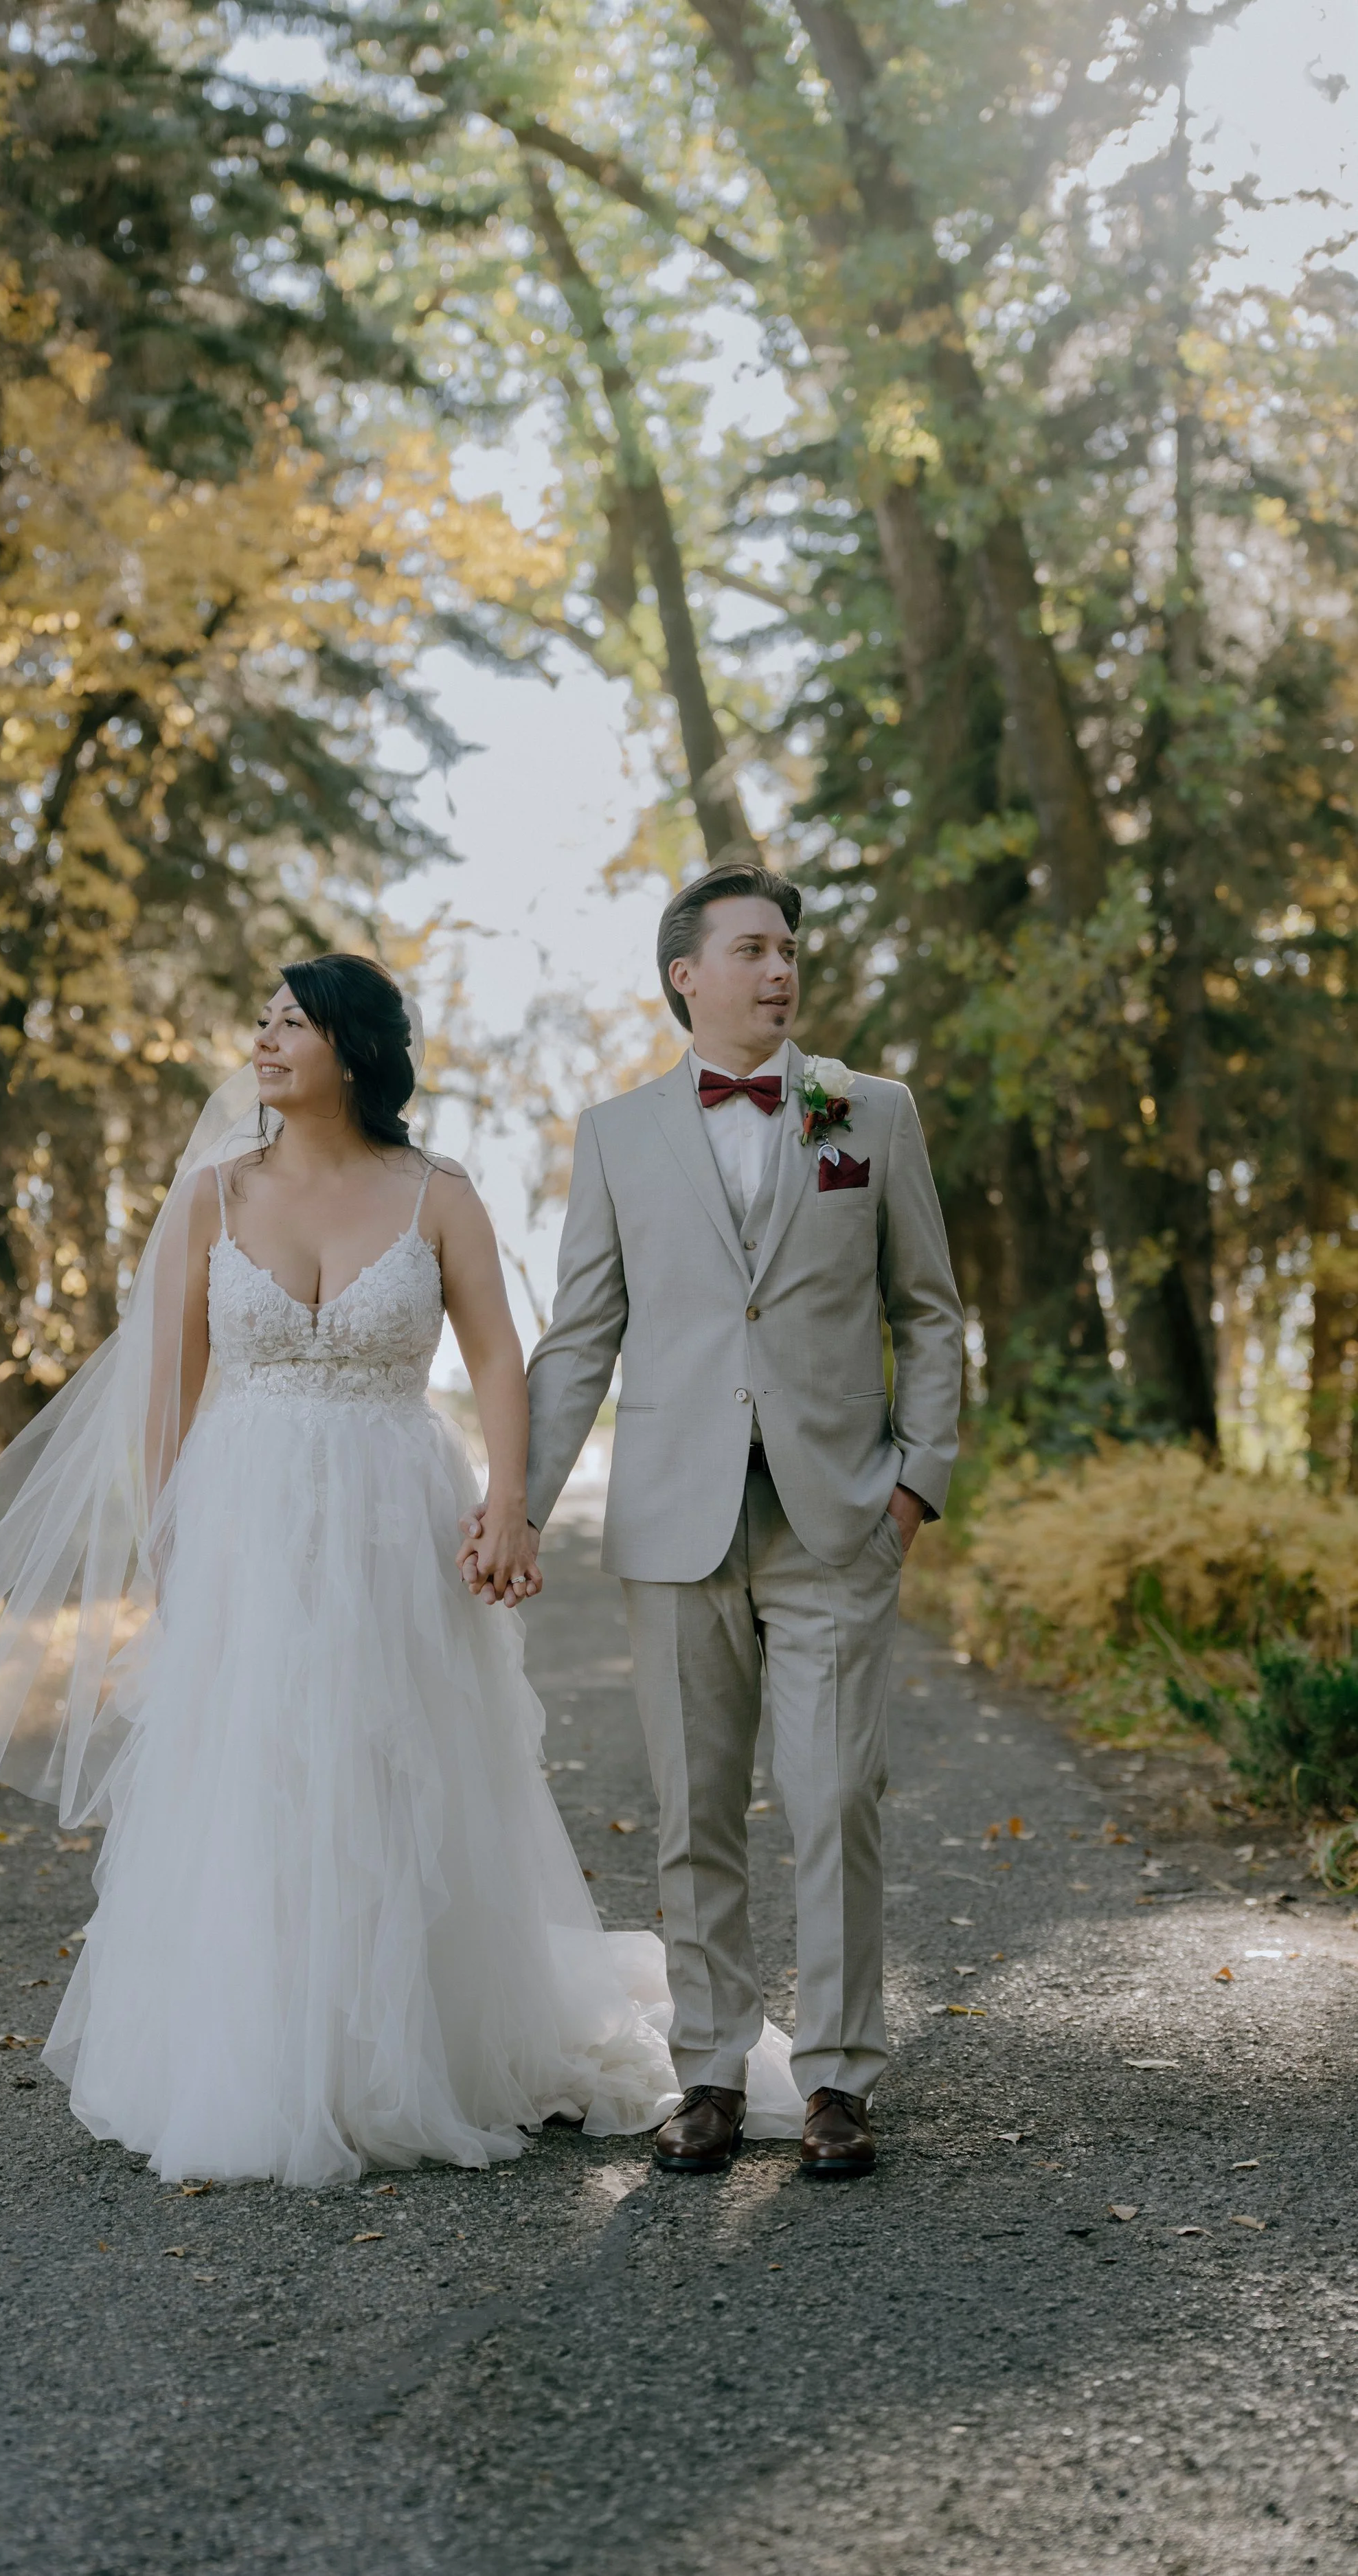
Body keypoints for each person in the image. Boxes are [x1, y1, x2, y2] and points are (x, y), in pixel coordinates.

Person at [0, 953, 801, 2187]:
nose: (268, 1040)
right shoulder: (211, 1201)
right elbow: (165, 1392)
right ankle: (272, 2052)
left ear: (358, 1049)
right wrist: (173, 1542)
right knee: (263, 1769)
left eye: (297, 1023)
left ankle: (427, 2042)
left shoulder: (437, 1193)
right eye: (265, 1020)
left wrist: (510, 1505)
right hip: (248, 1517)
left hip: (399, 1508)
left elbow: (501, 1358)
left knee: (402, 1755)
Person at [491, 863, 963, 2180]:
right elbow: (581, 1335)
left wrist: (917, 1481)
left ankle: (839, 2081)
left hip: (837, 1517)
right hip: (674, 1516)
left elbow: (926, 1307)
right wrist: (515, 1507)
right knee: (696, 1807)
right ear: (684, 973)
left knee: (833, 1799)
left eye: (788, 949)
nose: (780, 969)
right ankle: (705, 2069)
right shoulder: (616, 1133)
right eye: (751, 948)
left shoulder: (871, 1111)